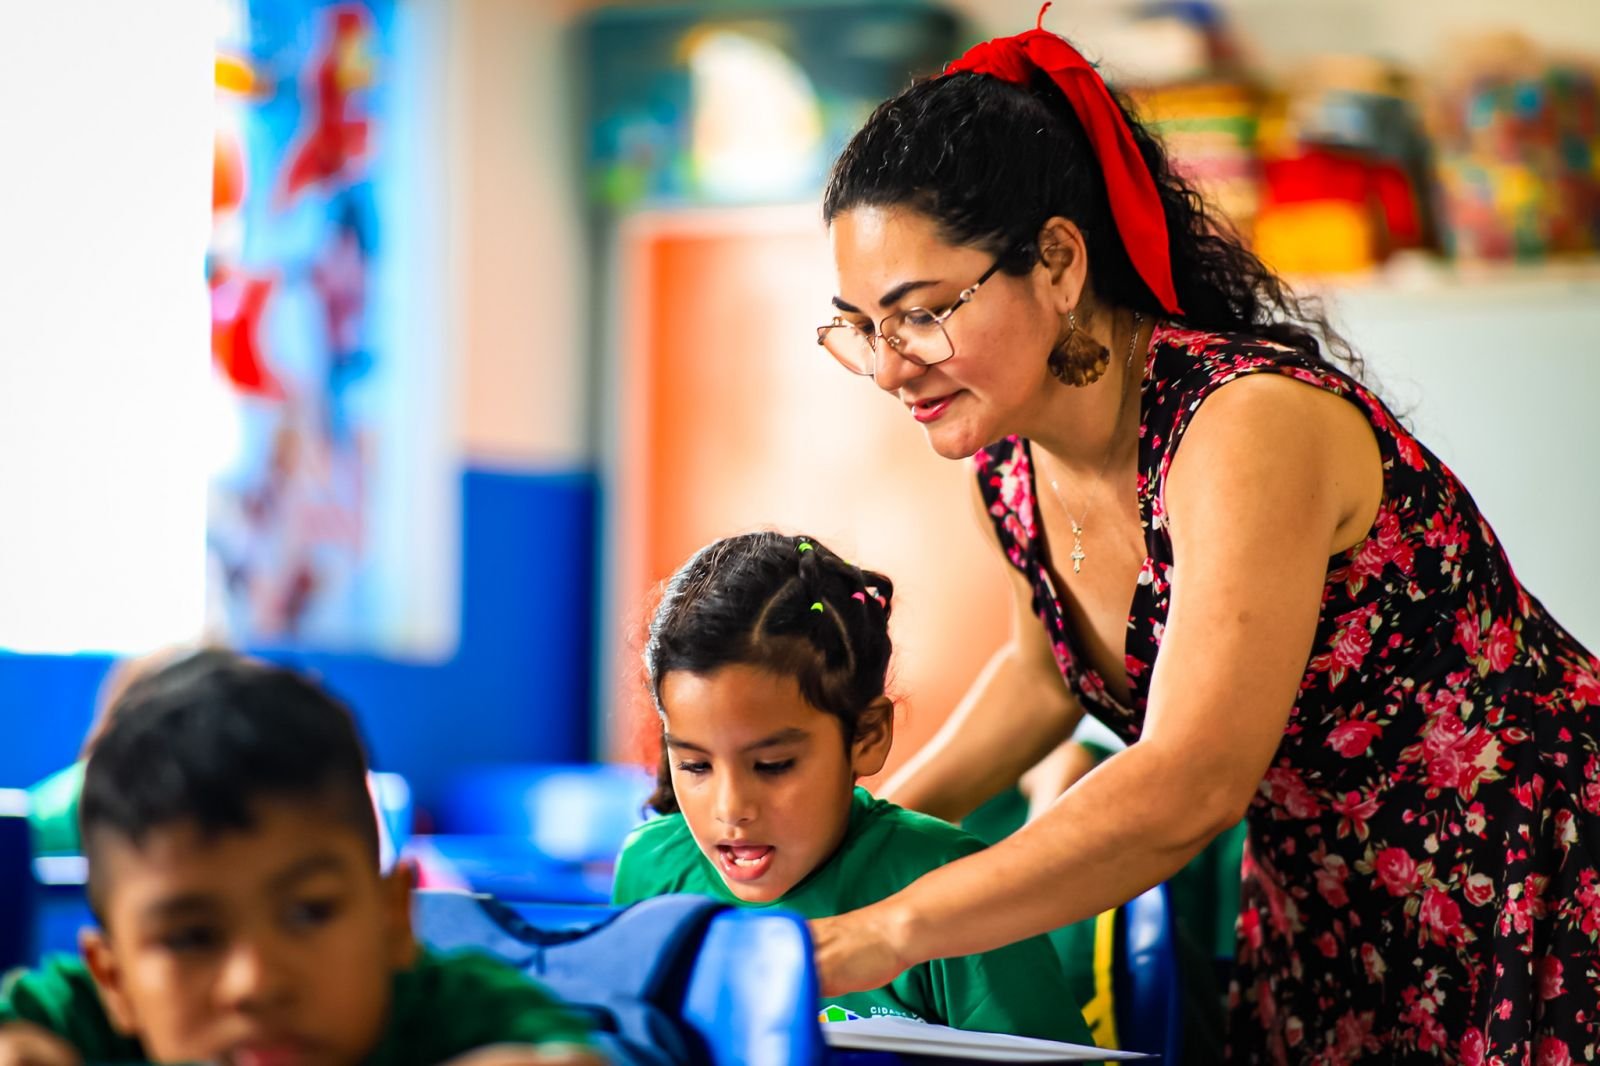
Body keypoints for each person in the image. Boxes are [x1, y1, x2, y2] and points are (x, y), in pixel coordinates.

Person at [806, 10, 1600, 1062]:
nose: (891, 365)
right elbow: (1045, 672)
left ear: (1055, 261)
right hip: (1331, 913)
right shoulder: (1008, 458)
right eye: (859, 327)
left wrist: (880, 929)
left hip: (1534, 879)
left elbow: (1188, 779)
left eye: (922, 312)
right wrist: (853, 835)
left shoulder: (1242, 426)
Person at [0, 652, 600, 1066]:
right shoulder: (76, 1017)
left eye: (310, 914)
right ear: (116, 979)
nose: (255, 983)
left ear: (394, 916)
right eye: (190, 938)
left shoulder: (451, 1013)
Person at [612, 532, 1095, 1045]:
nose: (731, 809)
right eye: (694, 765)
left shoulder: (957, 891)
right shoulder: (651, 870)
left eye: (773, 765)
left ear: (867, 735)